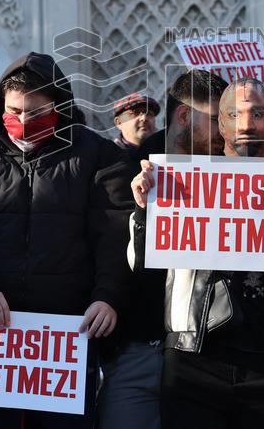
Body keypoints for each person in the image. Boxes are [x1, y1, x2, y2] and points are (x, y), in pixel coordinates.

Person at [0, 53, 135, 429]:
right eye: (14, 111)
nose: (23, 123)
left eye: (36, 113)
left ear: (58, 106)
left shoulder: (97, 156)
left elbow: (114, 232)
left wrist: (108, 296)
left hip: (66, 337)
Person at [129, 77, 264, 428]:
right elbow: (143, 273)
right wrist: (144, 210)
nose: (244, 124)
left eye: (256, 113)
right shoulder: (184, 184)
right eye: (232, 114)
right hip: (194, 358)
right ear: (221, 124)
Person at [98, 69, 228, 429]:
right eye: (217, 120)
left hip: (207, 353)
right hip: (140, 347)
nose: (225, 132)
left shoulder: (233, 170)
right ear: (185, 115)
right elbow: (115, 256)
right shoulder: (127, 169)